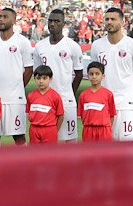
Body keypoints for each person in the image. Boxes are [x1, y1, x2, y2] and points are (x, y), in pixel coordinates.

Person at [90, 7, 133, 142]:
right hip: (103, 103)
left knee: (127, 145)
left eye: (113, 19)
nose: (109, 22)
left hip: (125, 104)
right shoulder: (97, 45)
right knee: (105, 145)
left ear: (122, 22)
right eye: (107, 19)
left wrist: (127, 93)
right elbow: (94, 74)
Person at [33, 9, 83, 143]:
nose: (53, 24)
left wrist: (69, 92)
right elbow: (36, 72)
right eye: (50, 21)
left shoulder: (72, 46)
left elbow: (79, 74)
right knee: (47, 141)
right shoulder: (39, 46)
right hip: (45, 101)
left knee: (70, 140)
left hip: (66, 100)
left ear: (63, 24)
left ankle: (73, 165)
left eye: (56, 21)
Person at [0, 7, 33, 145]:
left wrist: (18, 86)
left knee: (18, 136)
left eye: (5, 17)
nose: (1, 19)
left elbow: (29, 69)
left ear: (14, 21)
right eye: (0, 17)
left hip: (15, 98)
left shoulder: (22, 42)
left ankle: (24, 166)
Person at [78, 62, 116, 142]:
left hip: (104, 130)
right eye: (91, 74)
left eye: (97, 74)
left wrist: (106, 128)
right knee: (88, 153)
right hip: (88, 130)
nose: (94, 77)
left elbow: (112, 115)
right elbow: (82, 114)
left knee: (103, 153)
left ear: (103, 76)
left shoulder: (108, 94)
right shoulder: (83, 95)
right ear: (87, 76)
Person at [26, 65, 64, 144]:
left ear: (50, 79)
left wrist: (54, 130)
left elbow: (60, 116)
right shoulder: (31, 96)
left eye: (44, 78)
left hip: (49, 129)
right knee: (35, 154)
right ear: (35, 79)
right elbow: (29, 112)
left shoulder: (55, 96)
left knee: (48, 154)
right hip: (34, 129)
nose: (41, 81)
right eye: (38, 78)